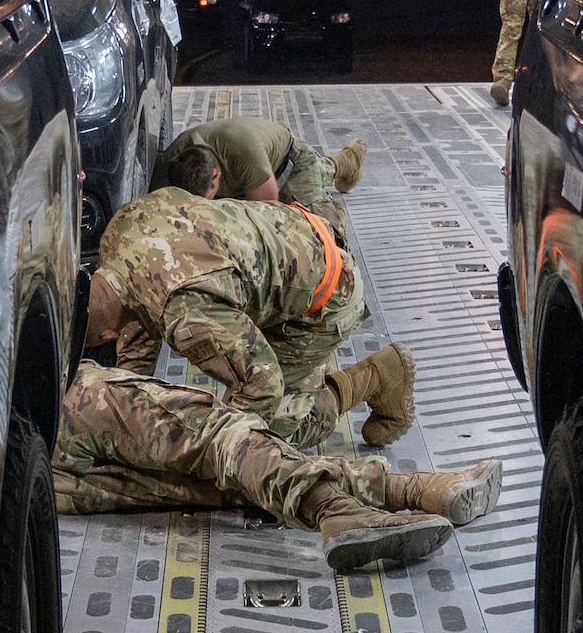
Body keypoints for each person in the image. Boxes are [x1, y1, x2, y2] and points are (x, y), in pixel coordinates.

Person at [54, 362, 502, 570]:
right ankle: (340, 513)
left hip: (38, 480)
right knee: (223, 438)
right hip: (49, 401)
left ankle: (414, 491)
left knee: (216, 481)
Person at [88, 189, 415, 448]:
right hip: (295, 237)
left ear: (105, 336)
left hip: (329, 297)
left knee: (268, 438)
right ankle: (307, 370)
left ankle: (376, 376)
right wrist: (122, 416)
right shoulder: (120, 231)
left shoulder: (185, 312)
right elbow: (139, 333)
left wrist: (216, 453)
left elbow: (262, 386)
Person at [154, 115, 366, 244]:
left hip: (289, 164)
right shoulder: (170, 163)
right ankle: (345, 160)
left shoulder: (245, 156)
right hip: (246, 176)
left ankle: (344, 165)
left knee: (317, 235)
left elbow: (268, 221)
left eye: (207, 199)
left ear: (217, 175)